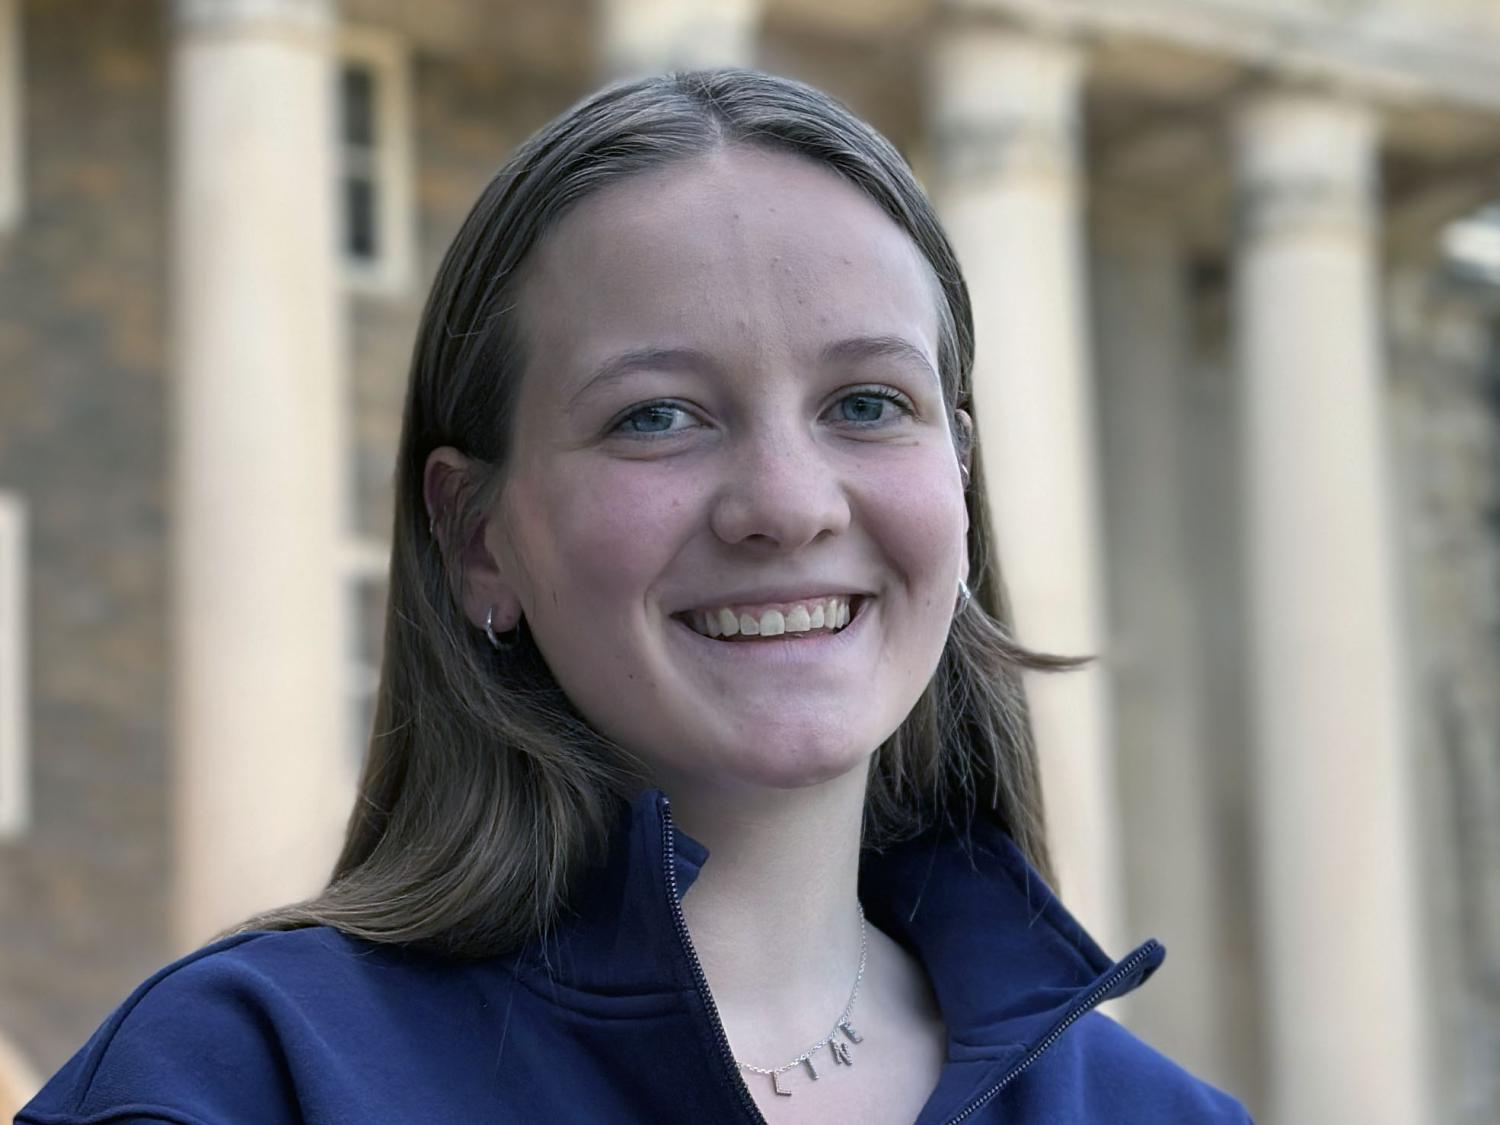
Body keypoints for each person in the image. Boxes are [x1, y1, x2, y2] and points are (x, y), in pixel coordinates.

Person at [20, 68, 1253, 1124]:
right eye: (656, 415)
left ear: (960, 481)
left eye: (868, 404)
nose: (788, 502)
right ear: (476, 538)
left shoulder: (1156, 1113)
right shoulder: (242, 1082)